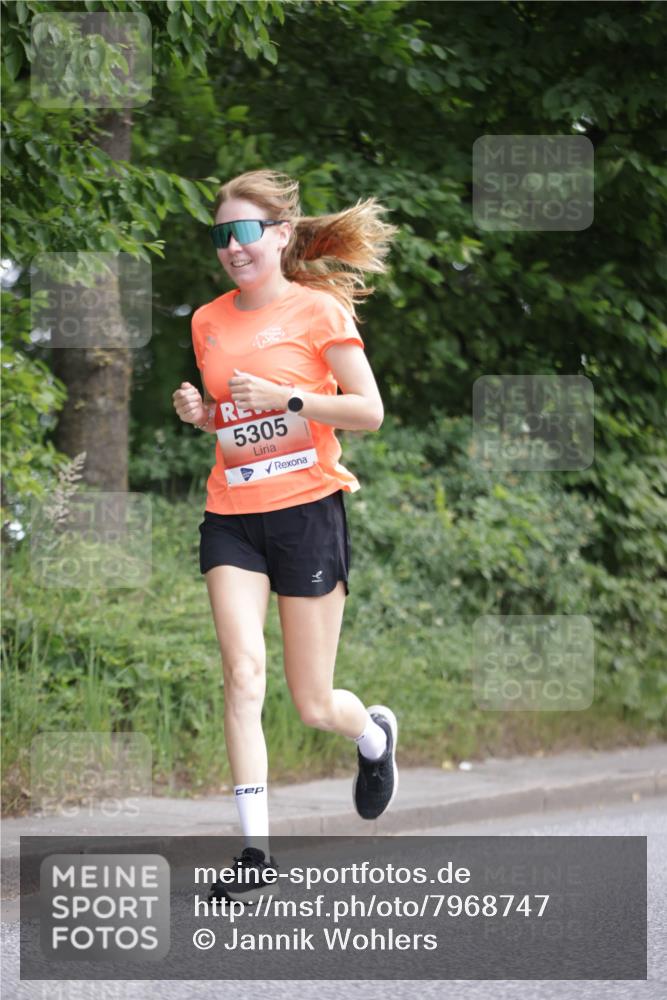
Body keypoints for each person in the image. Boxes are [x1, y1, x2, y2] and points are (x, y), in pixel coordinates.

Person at [172, 169, 399, 903]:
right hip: (232, 513)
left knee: (311, 703)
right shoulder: (207, 319)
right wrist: (202, 414)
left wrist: (290, 397)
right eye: (219, 236)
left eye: (242, 232)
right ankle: (253, 854)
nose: (230, 248)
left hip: (307, 511)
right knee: (242, 675)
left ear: (277, 235)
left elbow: (367, 411)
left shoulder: (318, 310)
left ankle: (371, 737)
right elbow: (233, 418)